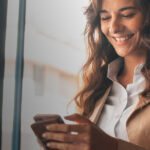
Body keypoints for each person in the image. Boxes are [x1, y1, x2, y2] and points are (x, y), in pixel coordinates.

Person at [40, 0, 150, 149]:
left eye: (127, 15)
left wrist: (111, 146)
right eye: (105, 18)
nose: (114, 28)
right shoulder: (99, 86)